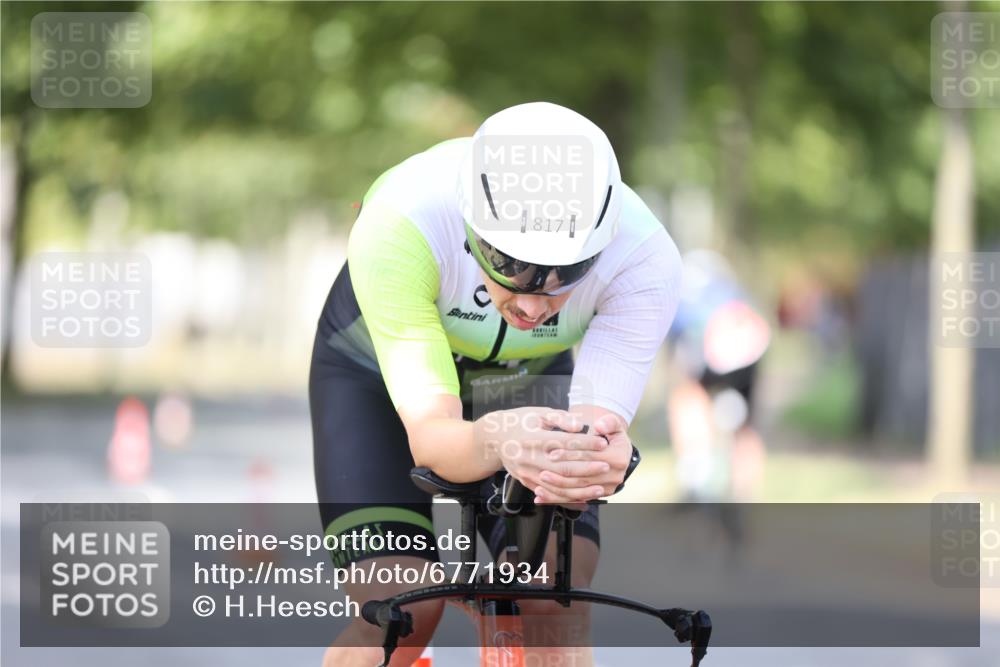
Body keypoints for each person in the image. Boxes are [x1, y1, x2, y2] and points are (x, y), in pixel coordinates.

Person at [310, 102, 682, 666]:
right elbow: (433, 437)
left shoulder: (644, 258)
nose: (533, 303)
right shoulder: (403, 219)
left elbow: (596, 431)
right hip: (373, 379)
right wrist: (497, 440)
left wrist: (599, 459)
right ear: (470, 225)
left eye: (567, 272)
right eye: (509, 264)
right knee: (402, 613)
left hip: (525, 380)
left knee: (553, 603)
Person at [666, 250, 769, 547]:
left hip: (724, 343)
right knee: (745, 426)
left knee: (687, 397)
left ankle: (697, 476)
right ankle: (741, 495)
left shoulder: (680, 301)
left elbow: (683, 361)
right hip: (747, 343)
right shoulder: (731, 291)